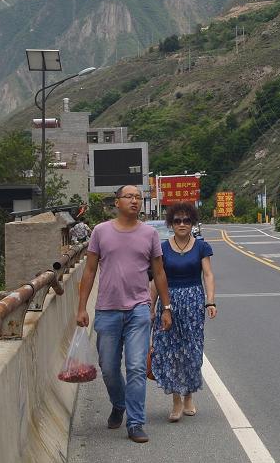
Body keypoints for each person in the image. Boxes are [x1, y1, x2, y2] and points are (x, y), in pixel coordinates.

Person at [75, 185, 172, 443]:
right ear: (117, 202)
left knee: (137, 367)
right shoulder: (100, 231)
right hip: (107, 310)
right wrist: (82, 307)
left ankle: (136, 422)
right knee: (108, 368)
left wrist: (166, 307)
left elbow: (159, 272)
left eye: (138, 197)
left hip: (139, 310)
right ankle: (119, 404)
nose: (134, 200)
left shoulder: (150, 234)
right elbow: (89, 270)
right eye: (129, 196)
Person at [149, 202, 217, 422]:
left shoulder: (201, 247)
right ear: (171, 223)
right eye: (177, 220)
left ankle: (189, 395)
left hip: (193, 303)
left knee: (192, 351)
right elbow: (157, 279)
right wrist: (151, 308)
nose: (182, 224)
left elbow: (208, 274)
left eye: (186, 220)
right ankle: (176, 400)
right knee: (170, 351)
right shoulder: (162, 248)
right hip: (168, 303)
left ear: (192, 223)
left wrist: (210, 302)